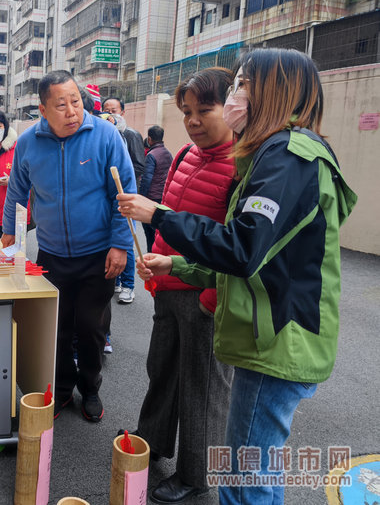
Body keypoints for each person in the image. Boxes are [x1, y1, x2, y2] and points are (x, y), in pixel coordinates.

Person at [118, 49, 357, 504]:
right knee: (250, 466)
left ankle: (194, 472)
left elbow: (243, 249)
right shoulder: (272, 153)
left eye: (243, 85)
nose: (235, 96)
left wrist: (161, 217)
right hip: (262, 329)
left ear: (274, 91)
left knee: (245, 479)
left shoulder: (287, 157)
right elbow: (257, 252)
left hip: (276, 337)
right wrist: (178, 264)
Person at [116, 67, 236, 504]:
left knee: (203, 387)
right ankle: (154, 439)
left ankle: (196, 473)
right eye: (187, 112)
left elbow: (235, 246)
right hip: (168, 281)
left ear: (232, 107)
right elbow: (170, 216)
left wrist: (210, 297)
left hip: (205, 291)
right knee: (161, 368)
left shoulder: (243, 164)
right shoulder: (185, 155)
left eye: (205, 110)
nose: (194, 120)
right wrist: (154, 266)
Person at [1, 70, 136, 423]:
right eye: (61, 105)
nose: (72, 111)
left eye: (75, 101)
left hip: (98, 255)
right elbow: (17, 191)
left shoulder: (105, 136)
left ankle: (90, 388)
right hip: (52, 254)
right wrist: (9, 233)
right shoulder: (29, 143)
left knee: (91, 328)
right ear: (43, 110)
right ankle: (61, 390)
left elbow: (124, 193)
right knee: (56, 328)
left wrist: (121, 244)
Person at [102, 97, 146, 305]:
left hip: (126, 196)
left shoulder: (131, 135)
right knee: (112, 240)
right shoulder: (103, 135)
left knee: (126, 242)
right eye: (107, 110)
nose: (111, 114)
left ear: (123, 112)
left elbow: (138, 165)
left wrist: (124, 182)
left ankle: (129, 285)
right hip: (109, 198)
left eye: (115, 110)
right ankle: (117, 280)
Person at [139, 125, 173, 252]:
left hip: (151, 198)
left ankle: (150, 255)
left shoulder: (151, 155)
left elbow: (147, 179)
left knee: (149, 233)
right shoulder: (168, 154)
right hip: (163, 197)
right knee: (157, 232)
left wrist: (141, 197)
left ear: (149, 139)